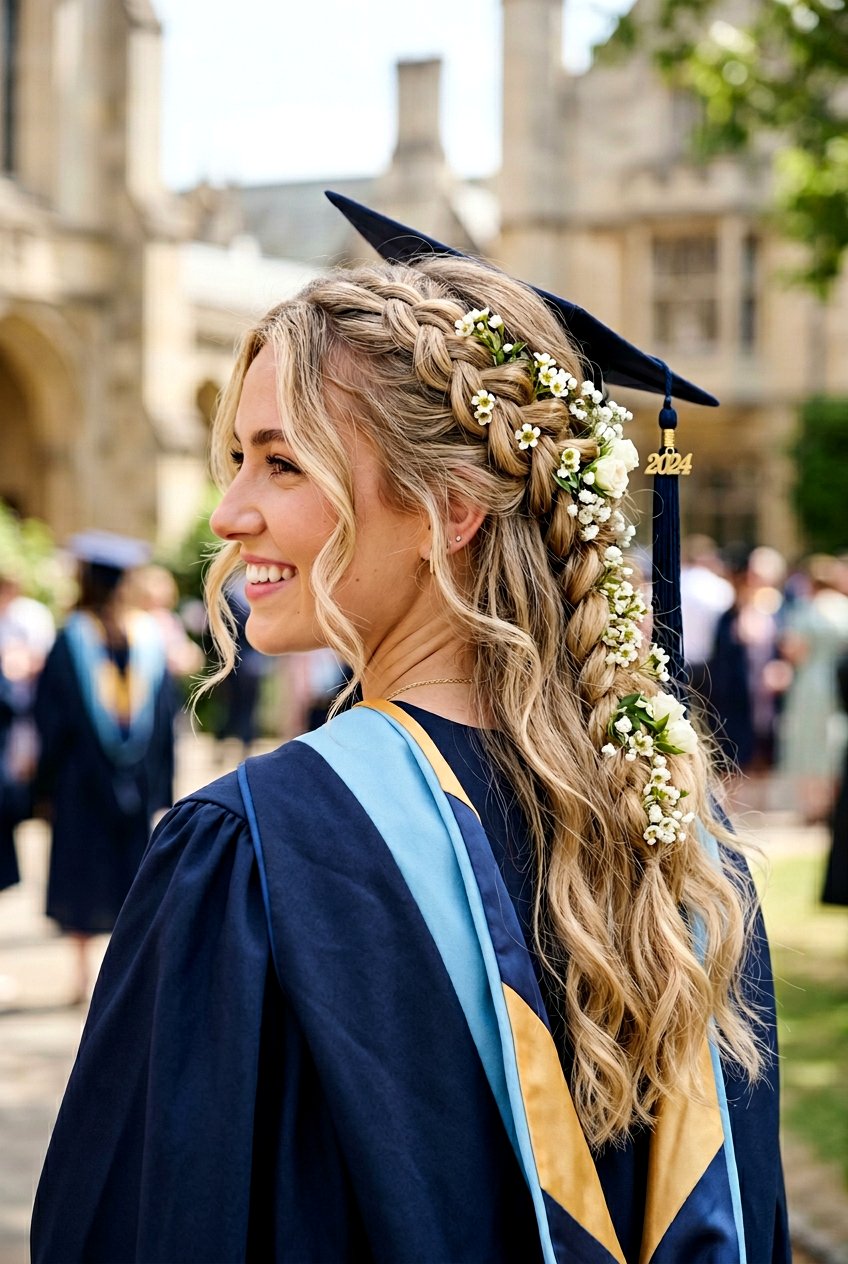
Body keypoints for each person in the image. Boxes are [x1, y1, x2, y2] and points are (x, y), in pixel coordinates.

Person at [32, 198, 788, 1263]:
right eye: (237, 460)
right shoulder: (679, 842)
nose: (227, 513)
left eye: (281, 463)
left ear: (447, 510)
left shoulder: (254, 857)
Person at [32, 531, 177, 1003]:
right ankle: (127, 976)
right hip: (135, 781)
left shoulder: (68, 641)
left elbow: (51, 721)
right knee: (129, 875)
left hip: (81, 783)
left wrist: (45, 785)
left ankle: (82, 975)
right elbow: (162, 723)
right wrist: (160, 787)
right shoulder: (148, 640)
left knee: (82, 871)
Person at [777, 554, 848, 824]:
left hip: (812, 682)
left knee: (810, 740)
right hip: (841, 681)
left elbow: (796, 651)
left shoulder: (808, 610)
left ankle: (814, 806)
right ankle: (835, 801)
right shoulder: (844, 607)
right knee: (836, 736)